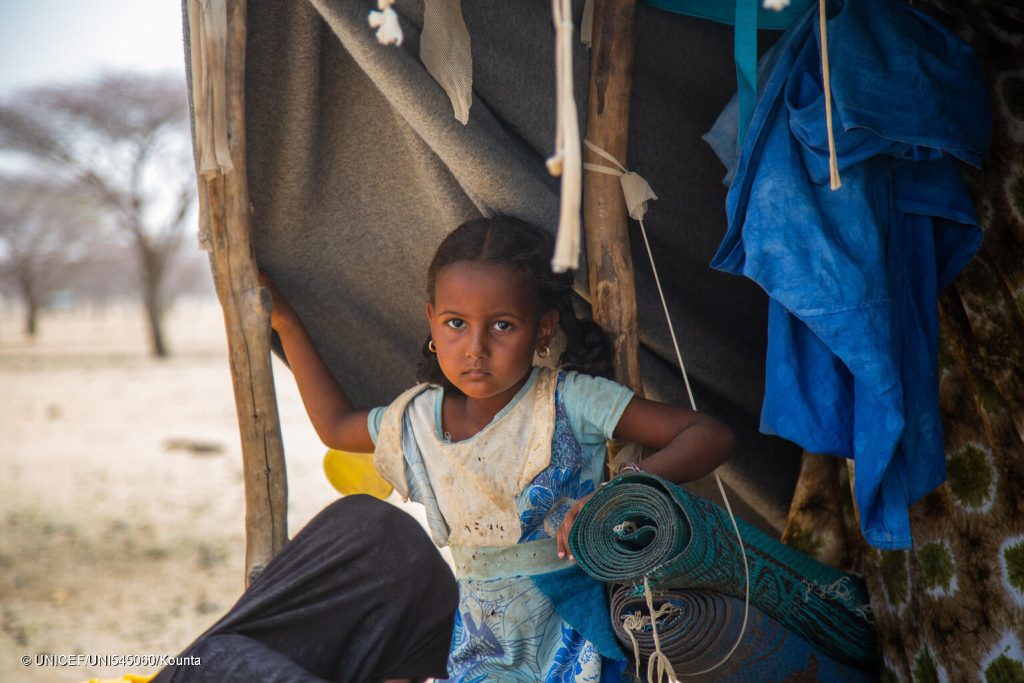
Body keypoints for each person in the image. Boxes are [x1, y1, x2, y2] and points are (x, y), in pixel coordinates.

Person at [263, 215, 735, 682]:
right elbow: (335, 426)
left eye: (502, 326)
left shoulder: (571, 400)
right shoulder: (418, 419)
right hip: (478, 647)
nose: (475, 348)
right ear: (431, 320)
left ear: (543, 330)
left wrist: (618, 493)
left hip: (578, 637)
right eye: (455, 323)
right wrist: (284, 323)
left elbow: (710, 436)